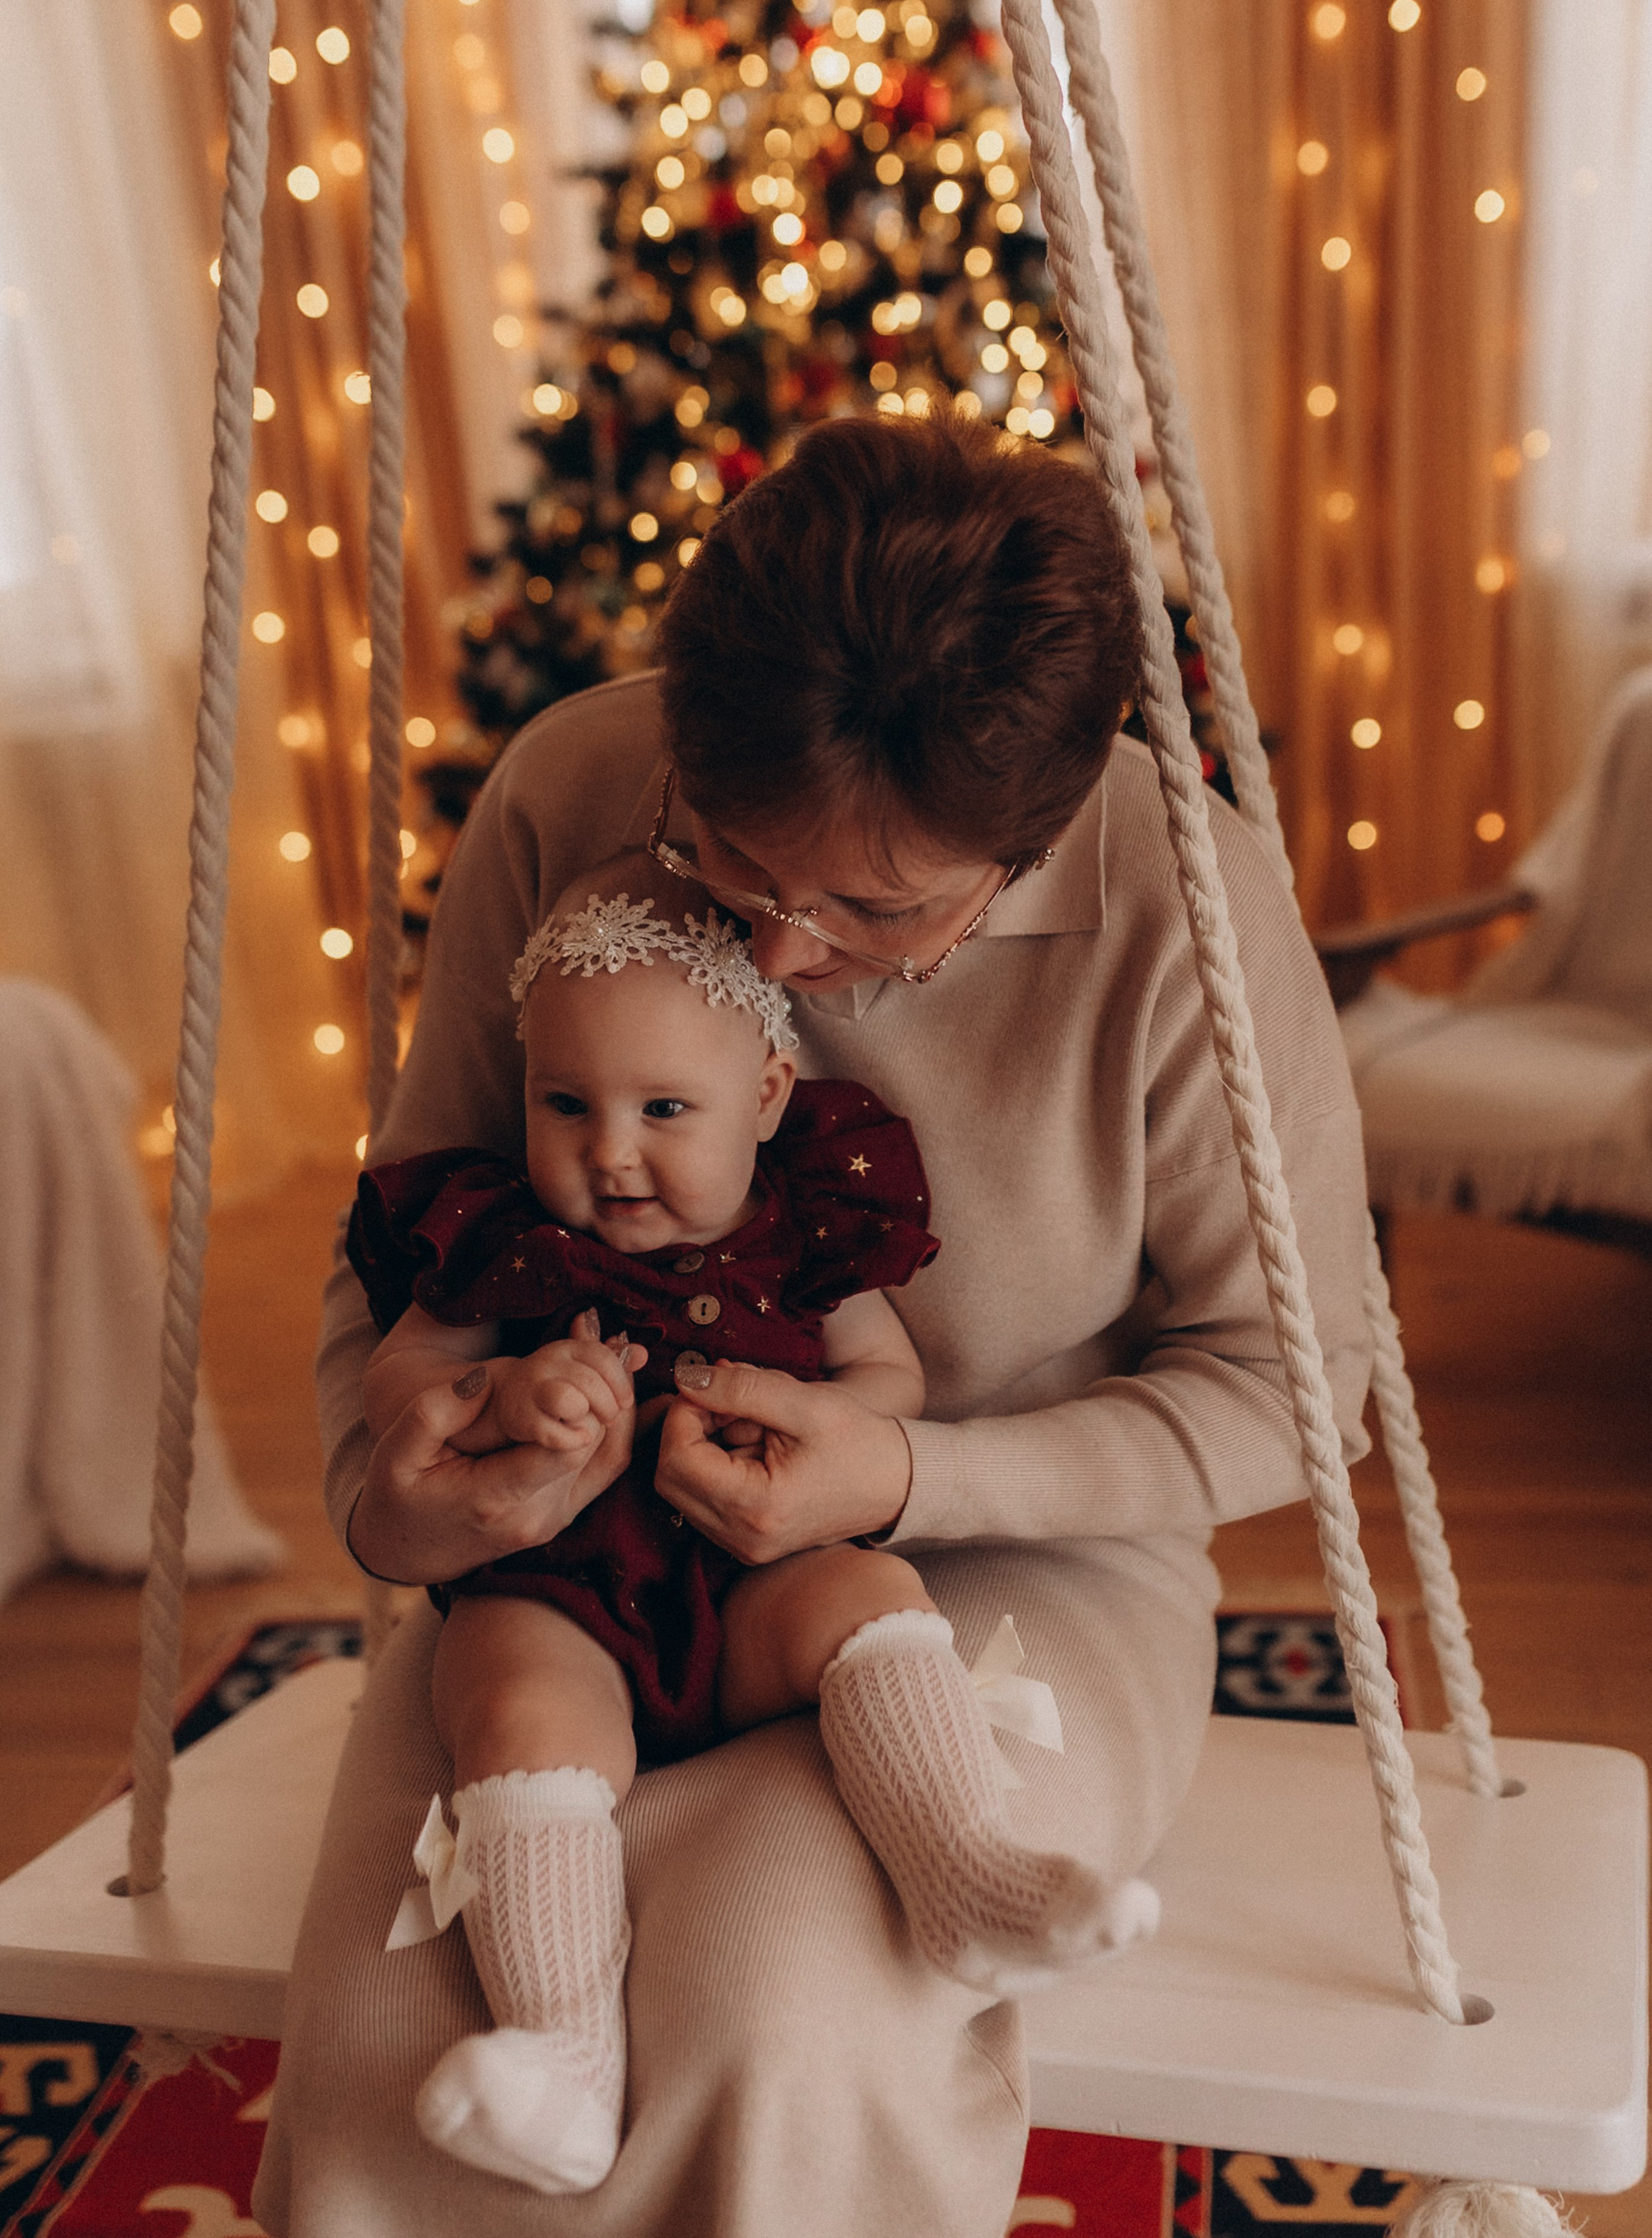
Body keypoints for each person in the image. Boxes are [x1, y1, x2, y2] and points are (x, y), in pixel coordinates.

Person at [256, 416, 1373, 2238]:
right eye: (732, 861)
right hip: (564, 1571)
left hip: (1017, 1558)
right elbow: (408, 1249)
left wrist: (911, 1471)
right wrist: (413, 1501)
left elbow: (1296, 1388)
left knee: (773, 1999)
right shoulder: (569, 787)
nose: (780, 954)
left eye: (878, 910)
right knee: (411, 2027)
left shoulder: (1187, 904)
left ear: (1031, 842)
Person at [346, 856, 1153, 2197]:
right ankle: (559, 2057)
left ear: (766, 1097)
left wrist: (816, 1422)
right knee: (504, 1696)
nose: (610, 1151)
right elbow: (401, 1381)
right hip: (563, 1598)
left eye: (664, 1107)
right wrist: (498, 1395)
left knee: (873, 1595)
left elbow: (887, 1377)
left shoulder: (802, 1227)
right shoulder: (502, 1237)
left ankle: (965, 1877)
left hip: (752, 1581)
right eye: (567, 1104)